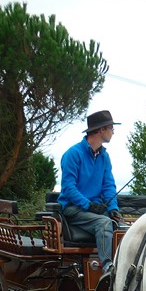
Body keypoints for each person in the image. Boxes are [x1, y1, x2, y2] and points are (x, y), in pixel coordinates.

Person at [58, 110, 122, 274]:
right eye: (111, 128)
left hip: (94, 209)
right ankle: (108, 267)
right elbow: (68, 188)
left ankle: (125, 266)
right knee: (104, 223)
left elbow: (109, 186)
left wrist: (113, 208)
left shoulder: (104, 157)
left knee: (123, 227)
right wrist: (88, 205)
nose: (113, 132)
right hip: (73, 209)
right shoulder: (73, 154)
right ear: (101, 130)